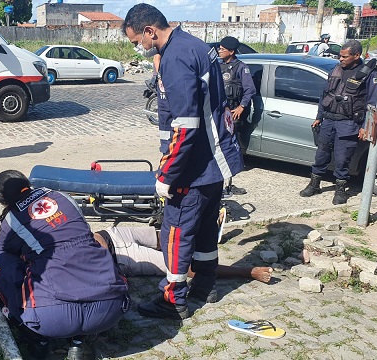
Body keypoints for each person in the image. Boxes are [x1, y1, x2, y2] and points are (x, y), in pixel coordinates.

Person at [122, 4, 243, 321]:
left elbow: (185, 126)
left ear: (150, 31)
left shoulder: (175, 57)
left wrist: (166, 175)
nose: (139, 48)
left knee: (174, 234)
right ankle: (206, 287)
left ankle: (172, 300)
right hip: (214, 164)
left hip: (192, 167)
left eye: (138, 41)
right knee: (205, 230)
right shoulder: (195, 45)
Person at [0, 170, 129, 360]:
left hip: (51, 319)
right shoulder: (62, 197)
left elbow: (6, 255)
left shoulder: (12, 219)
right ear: (27, 183)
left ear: (3, 201)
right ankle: (79, 342)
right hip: (110, 310)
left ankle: (34, 335)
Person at [299, 40, 377, 205]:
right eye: (340, 56)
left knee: (343, 159)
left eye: (344, 56)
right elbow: (325, 95)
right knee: (321, 154)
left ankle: (340, 190)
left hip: (348, 123)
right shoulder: (336, 69)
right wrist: (319, 116)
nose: (340, 59)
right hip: (328, 120)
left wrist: (365, 127)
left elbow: (372, 103)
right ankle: (314, 184)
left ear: (356, 56)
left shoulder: (368, 74)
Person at [92, 226, 273, 284]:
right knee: (183, 268)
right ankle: (245, 272)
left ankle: (207, 235)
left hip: (112, 234)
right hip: (122, 258)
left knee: (169, 236)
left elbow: (92, 236)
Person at [218, 36, 255, 196]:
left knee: (231, 147)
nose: (219, 51)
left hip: (232, 113)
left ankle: (230, 183)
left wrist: (241, 106)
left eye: (222, 49)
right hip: (218, 112)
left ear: (231, 52)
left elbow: (250, 90)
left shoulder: (241, 67)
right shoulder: (217, 66)